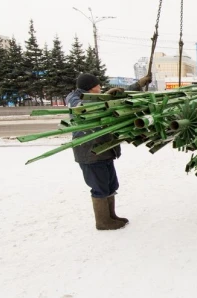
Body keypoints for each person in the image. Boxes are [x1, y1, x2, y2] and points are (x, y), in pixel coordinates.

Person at [65, 73, 152, 230]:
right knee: (99, 187)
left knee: (111, 185)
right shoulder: (74, 98)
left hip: (104, 149)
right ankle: (103, 221)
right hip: (90, 151)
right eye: (98, 86)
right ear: (91, 87)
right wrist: (104, 97)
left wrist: (139, 83)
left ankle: (111, 216)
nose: (100, 88)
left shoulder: (96, 96)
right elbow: (83, 108)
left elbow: (116, 96)